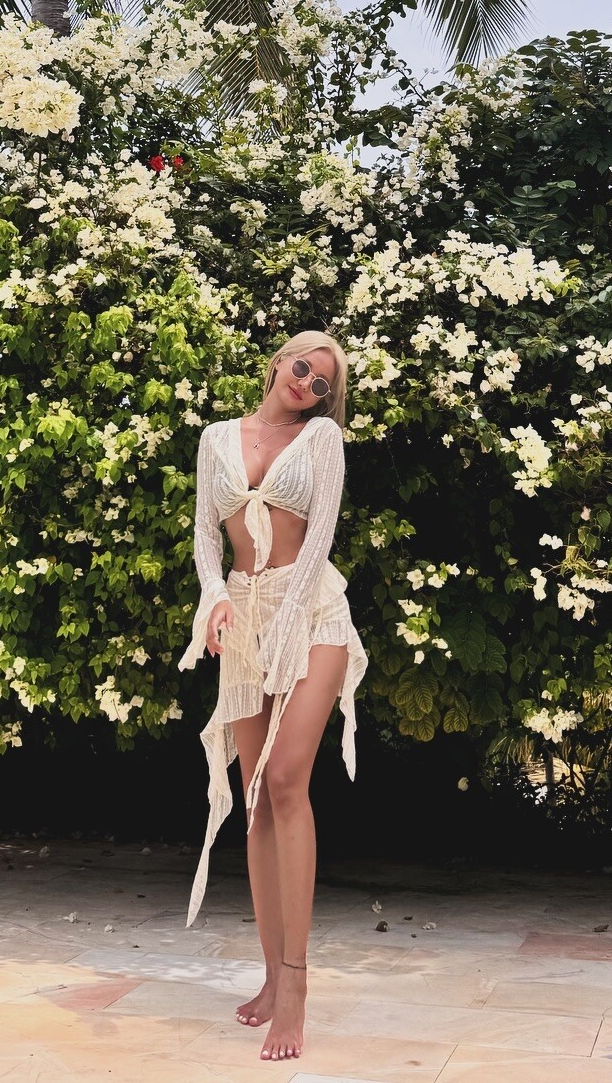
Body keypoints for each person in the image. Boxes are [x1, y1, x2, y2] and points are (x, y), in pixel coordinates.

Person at [178, 329, 367, 1062]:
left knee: (286, 778)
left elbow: (319, 540)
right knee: (255, 797)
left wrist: (288, 623)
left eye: (323, 383)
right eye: (303, 366)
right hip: (245, 616)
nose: (308, 383)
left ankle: (295, 984)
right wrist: (214, 598)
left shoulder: (322, 440)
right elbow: (206, 535)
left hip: (311, 615)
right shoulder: (216, 439)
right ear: (279, 360)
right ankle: (267, 975)